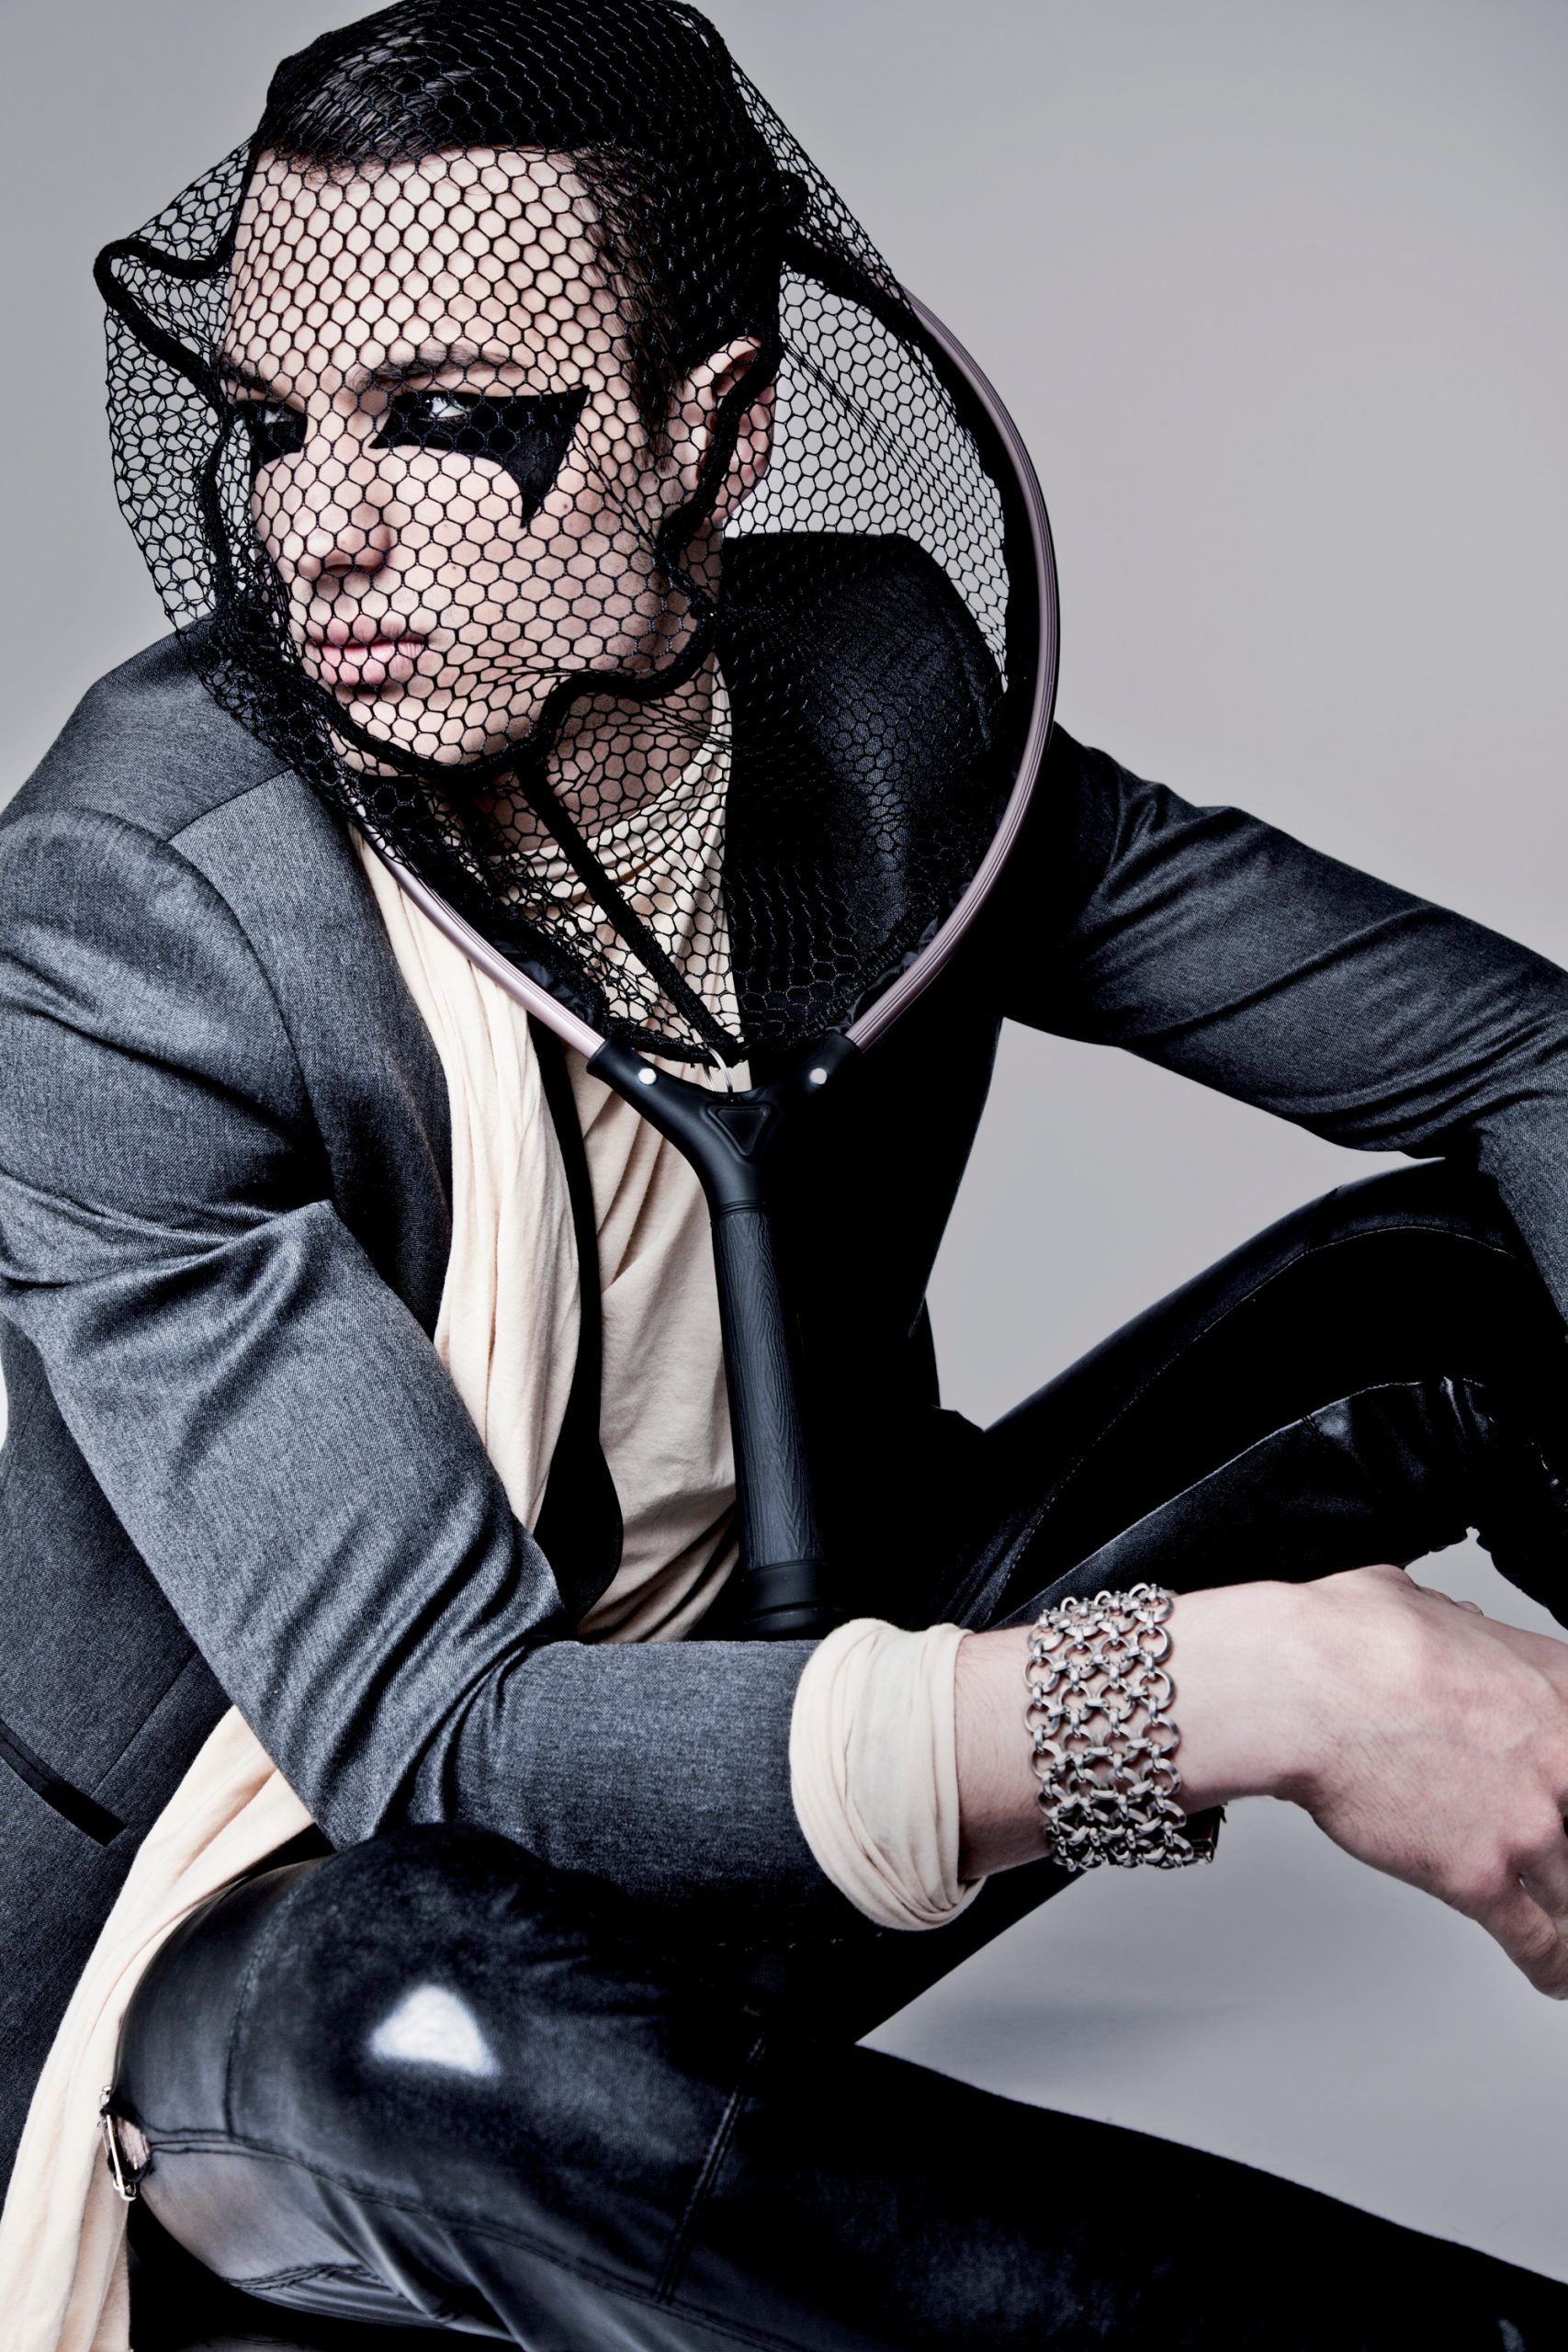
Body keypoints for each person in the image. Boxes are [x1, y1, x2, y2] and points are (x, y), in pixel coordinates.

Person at [4, 2, 1568, 2345]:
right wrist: (1258, 1683)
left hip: (808, 1731)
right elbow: (444, 1743)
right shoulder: (142, 909)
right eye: (274, 421)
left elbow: (1521, 1054)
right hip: (273, 1939)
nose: (314, 528)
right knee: (408, 2009)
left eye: (442, 418)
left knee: (1458, 1280)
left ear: (709, 432)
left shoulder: (873, 703)